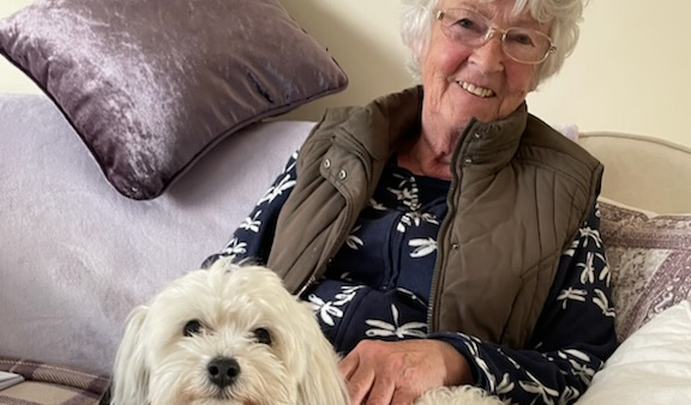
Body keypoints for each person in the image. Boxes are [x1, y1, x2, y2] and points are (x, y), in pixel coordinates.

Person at [204, 0, 617, 404]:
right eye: (467, 23)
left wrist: (454, 359)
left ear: (542, 62)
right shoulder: (335, 144)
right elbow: (220, 280)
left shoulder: (562, 189)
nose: (489, 60)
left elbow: (581, 366)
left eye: (522, 39)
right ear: (423, 34)